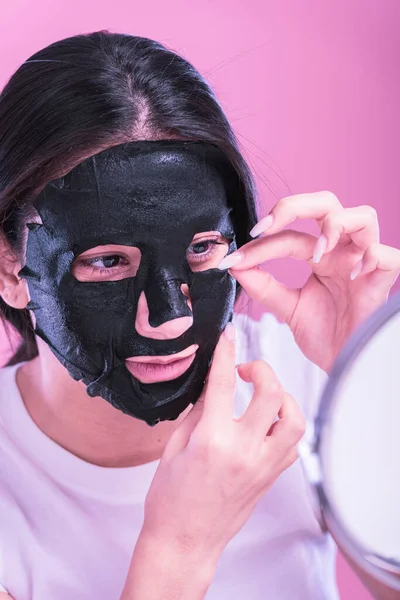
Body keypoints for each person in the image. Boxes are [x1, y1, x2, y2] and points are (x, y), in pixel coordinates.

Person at [0, 31, 399, 600]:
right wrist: (180, 546)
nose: (167, 320)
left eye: (201, 248)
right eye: (108, 261)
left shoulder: (299, 377)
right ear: (10, 271)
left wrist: (368, 384)